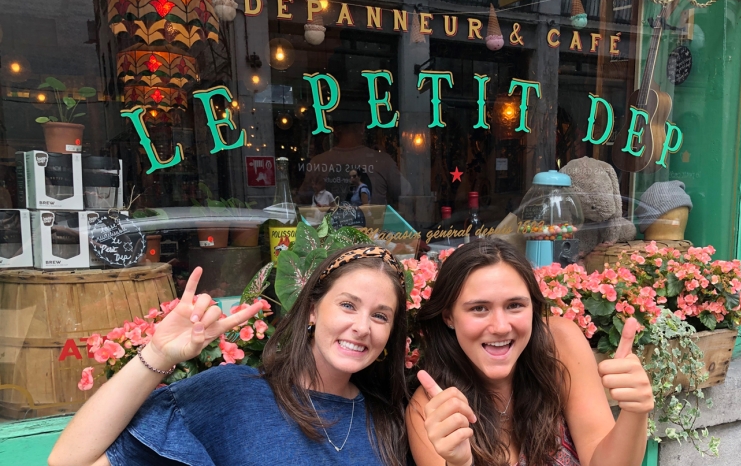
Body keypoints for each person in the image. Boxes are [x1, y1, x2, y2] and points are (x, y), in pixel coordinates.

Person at [49, 245, 410, 466]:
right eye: (348, 305)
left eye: (380, 315)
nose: (362, 326)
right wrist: (158, 354)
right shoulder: (233, 395)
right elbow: (69, 460)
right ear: (312, 311)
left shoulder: (390, 420)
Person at [407, 238, 653, 466]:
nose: (501, 327)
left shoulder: (560, 345)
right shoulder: (433, 410)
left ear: (533, 308)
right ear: (449, 317)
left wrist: (635, 412)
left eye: (515, 305)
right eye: (479, 308)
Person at [297, 122, 411, 207]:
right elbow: (407, 193)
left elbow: (303, 200)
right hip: (373, 235)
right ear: (362, 127)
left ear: (335, 131)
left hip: (328, 236)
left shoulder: (318, 161)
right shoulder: (382, 160)